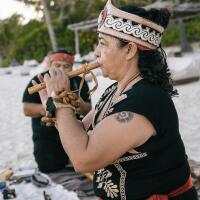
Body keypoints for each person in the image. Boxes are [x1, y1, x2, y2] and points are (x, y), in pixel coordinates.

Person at [36, 0, 198, 199]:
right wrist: (51, 105)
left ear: (129, 50)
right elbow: (80, 132)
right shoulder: (116, 89)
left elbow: (82, 159)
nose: (96, 52)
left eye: (103, 43)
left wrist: (60, 103)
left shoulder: (144, 102)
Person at [22, 49, 92, 173]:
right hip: (47, 137)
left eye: (66, 66)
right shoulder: (39, 80)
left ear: (72, 67)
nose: (61, 69)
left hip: (75, 134)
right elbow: (27, 109)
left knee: (81, 167)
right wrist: (52, 106)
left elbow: (88, 109)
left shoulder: (79, 81)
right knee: (49, 168)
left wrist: (79, 104)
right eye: (57, 65)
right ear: (49, 65)